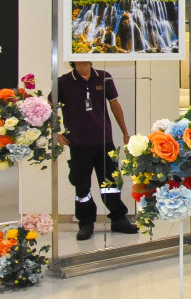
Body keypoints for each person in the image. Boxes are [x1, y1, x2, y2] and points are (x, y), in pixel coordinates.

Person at [57, 62, 139, 240]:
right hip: (78, 144)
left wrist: (125, 132)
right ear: (72, 60)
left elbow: (114, 104)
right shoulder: (63, 82)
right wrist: (55, 133)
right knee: (82, 186)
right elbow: (48, 107)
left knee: (111, 183)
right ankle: (86, 222)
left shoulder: (104, 77)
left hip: (104, 142)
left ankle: (118, 219)